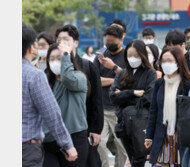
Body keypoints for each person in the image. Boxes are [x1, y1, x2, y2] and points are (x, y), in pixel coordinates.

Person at [22, 23, 77, 167]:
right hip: (27, 148)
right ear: (31, 47)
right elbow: (51, 112)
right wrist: (67, 144)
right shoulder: (34, 75)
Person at [55, 24, 104, 167]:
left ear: (75, 43)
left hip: (84, 128)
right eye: (59, 40)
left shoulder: (87, 66)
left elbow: (96, 100)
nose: (62, 43)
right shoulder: (55, 66)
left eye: (66, 39)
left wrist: (96, 129)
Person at [145, 46, 190, 166]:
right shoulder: (159, 83)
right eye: (163, 61)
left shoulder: (188, 85)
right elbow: (153, 111)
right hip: (162, 136)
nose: (166, 64)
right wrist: (149, 136)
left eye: (170, 61)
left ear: (178, 62)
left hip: (182, 137)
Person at [109, 39, 157, 166]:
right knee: (131, 158)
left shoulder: (150, 73)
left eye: (136, 56)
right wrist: (133, 93)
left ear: (142, 55)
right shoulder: (121, 74)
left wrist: (123, 95)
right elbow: (113, 96)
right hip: (124, 124)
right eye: (129, 55)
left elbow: (148, 98)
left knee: (140, 158)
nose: (132, 59)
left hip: (141, 123)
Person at [42, 42, 90, 167]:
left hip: (74, 138)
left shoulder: (79, 78)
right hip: (48, 141)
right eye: (51, 59)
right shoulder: (46, 81)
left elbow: (67, 78)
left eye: (60, 58)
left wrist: (66, 53)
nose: (56, 62)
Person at [93, 25, 128, 167]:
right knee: (99, 144)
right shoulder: (101, 56)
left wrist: (113, 67)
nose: (109, 45)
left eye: (113, 42)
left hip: (119, 110)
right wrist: (115, 80)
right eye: (107, 41)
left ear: (122, 39)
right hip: (102, 109)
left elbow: (129, 80)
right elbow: (95, 81)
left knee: (122, 147)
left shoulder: (127, 56)